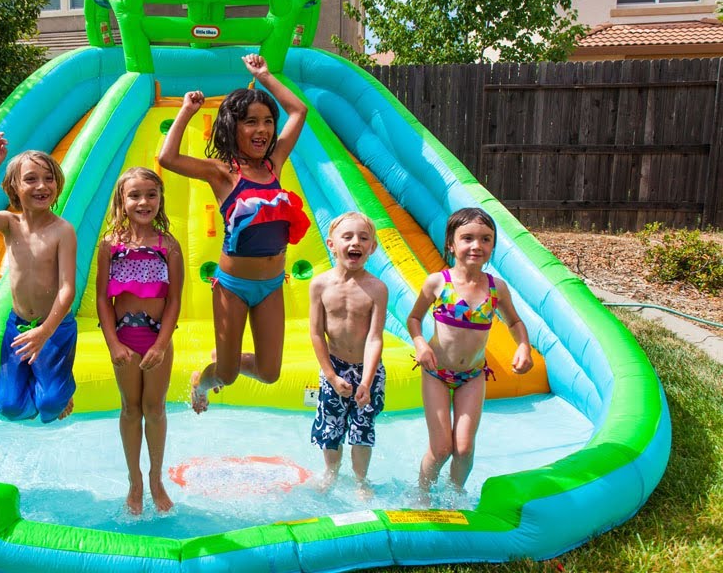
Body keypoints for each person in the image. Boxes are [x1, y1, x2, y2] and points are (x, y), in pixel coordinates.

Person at [158, 52, 310, 413]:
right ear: (232, 127)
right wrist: (186, 111)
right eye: (251, 122)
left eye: (268, 121)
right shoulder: (223, 172)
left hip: (272, 284)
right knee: (224, 375)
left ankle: (224, 360)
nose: (262, 130)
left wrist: (266, 74)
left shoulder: (274, 165)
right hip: (233, 286)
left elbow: (299, 111)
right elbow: (168, 158)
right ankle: (202, 382)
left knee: (270, 373)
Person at [406, 207, 534, 495]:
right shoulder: (438, 283)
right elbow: (414, 318)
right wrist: (421, 343)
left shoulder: (496, 288)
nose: (476, 245)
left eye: (486, 239)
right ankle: (422, 494)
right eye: (467, 238)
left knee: (463, 449)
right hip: (436, 372)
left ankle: (455, 496)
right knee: (441, 449)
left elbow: (514, 321)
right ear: (451, 244)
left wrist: (523, 346)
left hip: (473, 376)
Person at [0, 132, 78, 423]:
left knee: (51, 406)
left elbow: (66, 290)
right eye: (30, 179)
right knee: (11, 408)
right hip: (19, 324)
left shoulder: (63, 231)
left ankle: (61, 392)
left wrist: (45, 332)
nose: (42, 186)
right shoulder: (9, 223)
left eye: (49, 178)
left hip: (55, 326)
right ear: (13, 185)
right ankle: (46, 389)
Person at [95, 167, 183, 514]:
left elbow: (175, 299)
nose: (143, 201)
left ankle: (156, 478)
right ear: (122, 200)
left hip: (156, 338)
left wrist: (161, 345)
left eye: (151, 194)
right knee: (130, 408)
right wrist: (113, 344)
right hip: (125, 339)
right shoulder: (109, 245)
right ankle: (135, 481)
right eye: (134, 195)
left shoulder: (168, 245)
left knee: (155, 408)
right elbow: (103, 299)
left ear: (160, 199)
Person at [308, 212, 387, 496]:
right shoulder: (319, 285)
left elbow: (375, 337)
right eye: (348, 237)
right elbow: (316, 333)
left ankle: (360, 481)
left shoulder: (377, 288)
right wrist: (330, 375)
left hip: (367, 370)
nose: (356, 242)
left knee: (362, 428)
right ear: (331, 244)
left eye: (364, 238)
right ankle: (331, 472)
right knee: (331, 427)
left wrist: (366, 381)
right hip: (334, 366)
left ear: (372, 248)